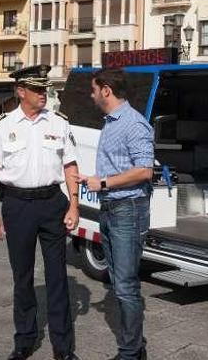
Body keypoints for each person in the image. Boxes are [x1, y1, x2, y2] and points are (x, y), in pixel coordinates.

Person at [0, 64, 82, 360]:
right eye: (38, 89)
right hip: (17, 205)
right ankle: (24, 340)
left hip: (53, 204)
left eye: (45, 89)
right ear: (20, 91)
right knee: (22, 276)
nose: (44, 94)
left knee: (57, 277)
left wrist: (74, 204)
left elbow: (70, 165)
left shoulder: (59, 123)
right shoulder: (2, 125)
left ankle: (63, 348)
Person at [78, 69, 154, 360]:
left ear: (106, 90)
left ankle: (130, 353)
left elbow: (144, 170)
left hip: (127, 209)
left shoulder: (133, 123)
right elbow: (120, 166)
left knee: (124, 286)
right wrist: (94, 180)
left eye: (94, 89)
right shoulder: (111, 122)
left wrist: (105, 182)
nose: (92, 94)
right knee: (117, 281)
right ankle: (136, 347)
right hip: (111, 207)